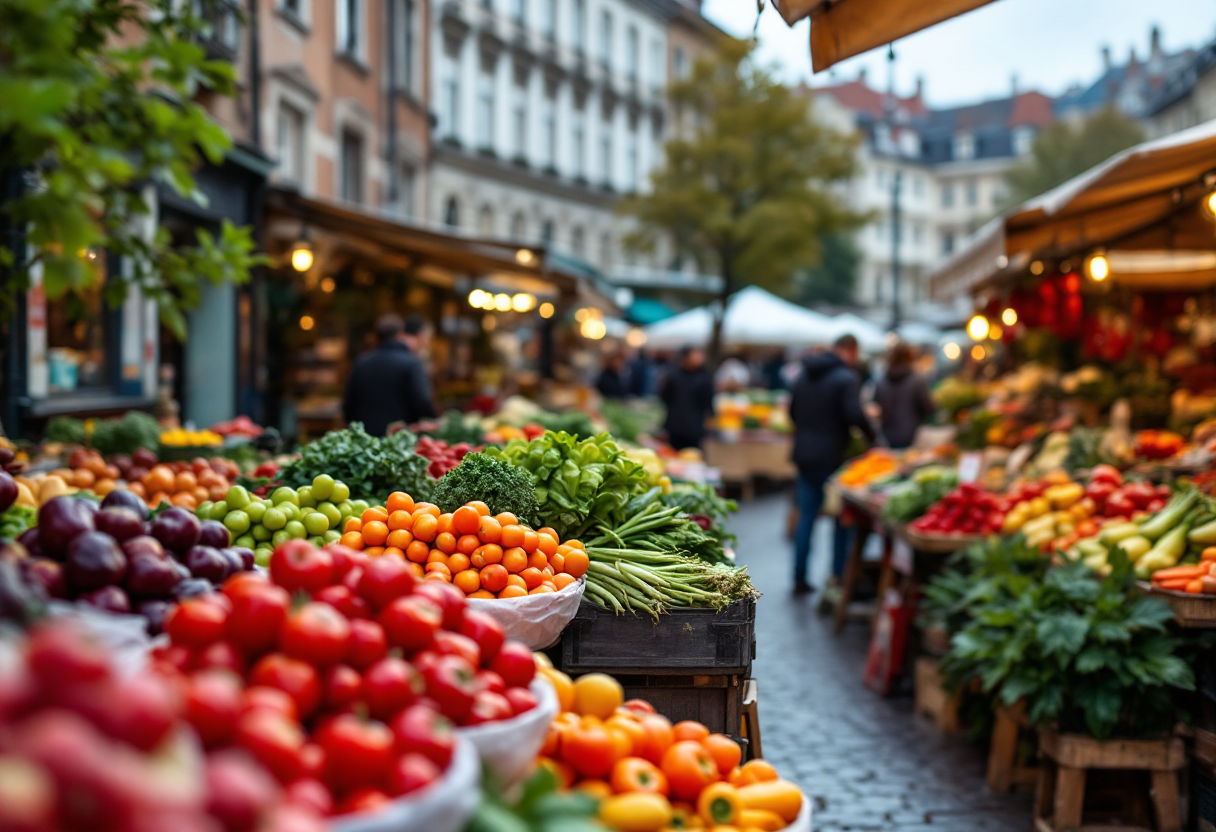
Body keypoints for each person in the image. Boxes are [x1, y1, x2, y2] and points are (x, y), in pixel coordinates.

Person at [788, 334, 876, 594]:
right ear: (849, 350)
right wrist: (872, 437)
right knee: (840, 519)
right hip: (832, 458)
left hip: (804, 455)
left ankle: (799, 577)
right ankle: (837, 576)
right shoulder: (845, 378)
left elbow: (791, 413)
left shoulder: (802, 376)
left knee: (807, 516)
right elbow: (854, 415)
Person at [343, 313, 437, 436]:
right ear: (400, 334)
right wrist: (430, 420)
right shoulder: (411, 362)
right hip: (400, 439)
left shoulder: (361, 362)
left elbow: (348, 405)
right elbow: (423, 401)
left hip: (367, 440)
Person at [873, 342, 936, 449]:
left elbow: (876, 408)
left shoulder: (881, 381)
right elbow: (929, 408)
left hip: (887, 437)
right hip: (913, 437)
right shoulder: (917, 380)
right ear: (910, 357)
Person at [660, 346, 714, 450]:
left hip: (695, 427)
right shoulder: (674, 375)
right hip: (675, 426)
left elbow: (708, 401)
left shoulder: (704, 377)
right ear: (685, 357)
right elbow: (665, 397)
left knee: (693, 455)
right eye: (694, 355)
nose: (698, 358)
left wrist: (709, 420)